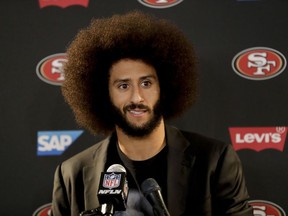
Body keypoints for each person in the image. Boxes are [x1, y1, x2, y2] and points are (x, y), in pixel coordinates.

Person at [51, 11, 253, 216]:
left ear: (164, 87)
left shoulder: (215, 161)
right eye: (123, 86)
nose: (136, 97)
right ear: (103, 93)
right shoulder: (71, 174)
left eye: (146, 83)